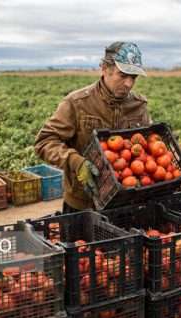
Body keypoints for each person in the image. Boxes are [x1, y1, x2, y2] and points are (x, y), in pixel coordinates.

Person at [35, 42, 151, 213]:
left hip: (126, 200)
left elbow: (147, 148)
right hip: (83, 202)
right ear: (104, 69)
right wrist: (75, 161)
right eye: (123, 75)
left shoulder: (138, 105)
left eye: (133, 77)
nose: (128, 84)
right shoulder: (77, 103)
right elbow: (45, 141)